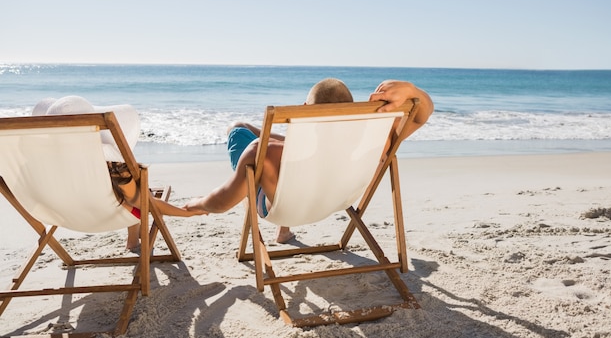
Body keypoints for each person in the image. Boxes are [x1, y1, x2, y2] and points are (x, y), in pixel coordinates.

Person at [183, 78, 434, 243]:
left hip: (283, 204)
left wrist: (195, 204)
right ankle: (285, 231)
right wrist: (411, 90)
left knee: (239, 129)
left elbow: (221, 202)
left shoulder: (265, 152)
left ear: (305, 109)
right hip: (336, 199)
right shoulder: (378, 143)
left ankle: (283, 225)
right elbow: (422, 115)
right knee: (273, 144)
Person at [32, 95, 205, 251]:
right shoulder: (111, 165)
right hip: (106, 214)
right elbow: (142, 202)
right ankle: (132, 242)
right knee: (141, 195)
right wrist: (185, 212)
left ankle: (132, 240)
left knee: (129, 196)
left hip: (59, 215)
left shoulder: (38, 162)